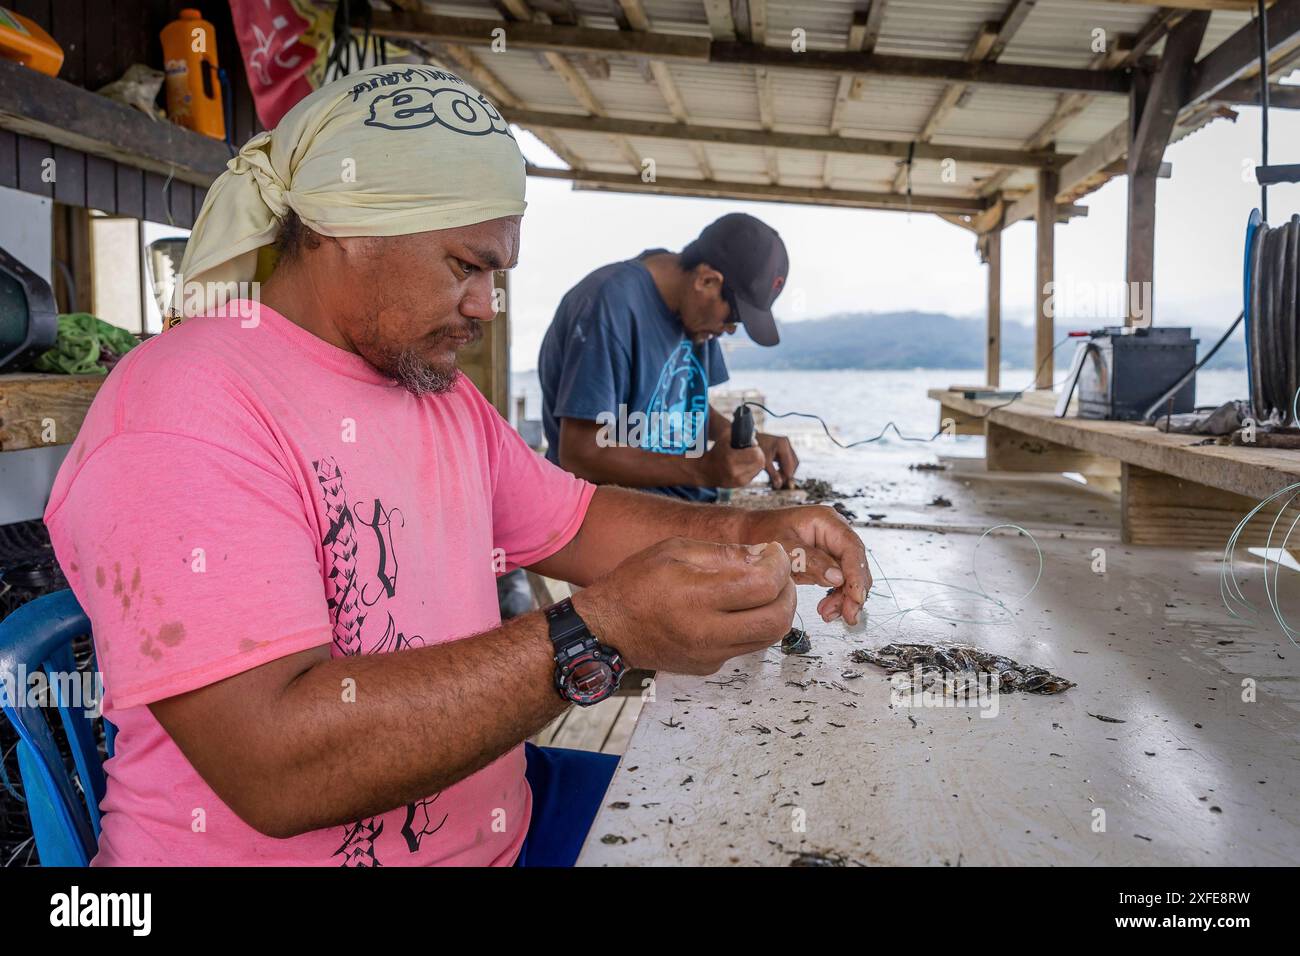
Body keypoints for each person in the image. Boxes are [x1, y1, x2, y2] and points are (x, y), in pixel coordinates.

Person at [43, 64, 868, 868]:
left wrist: (762, 532)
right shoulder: (185, 405)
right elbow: (275, 765)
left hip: (507, 820)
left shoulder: (435, 393)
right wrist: (600, 632)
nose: (484, 306)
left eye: (497, 272)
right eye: (464, 267)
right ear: (343, 228)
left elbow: (578, 520)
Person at [538, 214, 801, 501]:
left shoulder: (696, 317)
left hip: (680, 505)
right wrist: (702, 470)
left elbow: (686, 408)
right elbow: (580, 455)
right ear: (707, 280)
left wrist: (747, 442)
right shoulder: (609, 304)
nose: (727, 331)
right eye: (734, 318)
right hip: (609, 514)